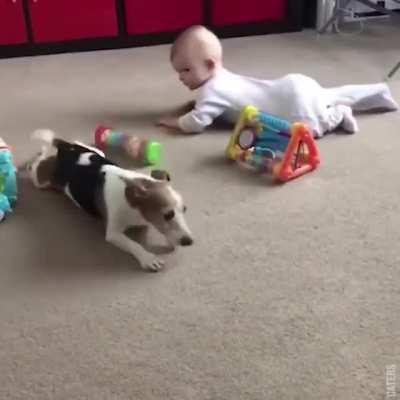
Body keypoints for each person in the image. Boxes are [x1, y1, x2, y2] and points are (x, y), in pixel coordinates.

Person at [158, 25, 398, 137]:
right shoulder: (221, 77)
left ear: (210, 65)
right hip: (290, 87)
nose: (181, 77)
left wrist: (176, 122)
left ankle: (339, 113)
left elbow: (197, 122)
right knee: (331, 93)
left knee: (309, 130)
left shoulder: (209, 92)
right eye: (179, 71)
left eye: (186, 70)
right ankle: (378, 91)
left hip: (292, 104)